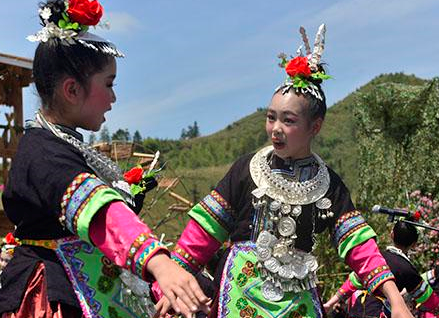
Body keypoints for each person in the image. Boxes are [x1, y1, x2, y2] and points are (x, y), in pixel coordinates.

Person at [153, 25, 414, 318]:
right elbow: (202, 234)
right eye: (271, 117)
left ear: (314, 127)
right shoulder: (246, 169)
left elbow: (359, 247)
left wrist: (396, 299)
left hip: (297, 303)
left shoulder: (329, 186)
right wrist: (170, 284)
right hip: (240, 297)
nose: (275, 129)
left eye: (288, 120)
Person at [0, 1, 209, 317]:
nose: (113, 97)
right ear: (72, 90)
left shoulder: (62, 146)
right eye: (109, 84)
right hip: (53, 296)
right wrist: (160, 264)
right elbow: (100, 213)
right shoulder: (42, 153)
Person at [324, 220, 439, 318]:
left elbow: (352, 282)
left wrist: (330, 304)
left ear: (392, 235)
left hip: (356, 310)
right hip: (378, 313)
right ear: (414, 244)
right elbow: (430, 299)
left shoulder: (375, 257)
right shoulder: (407, 270)